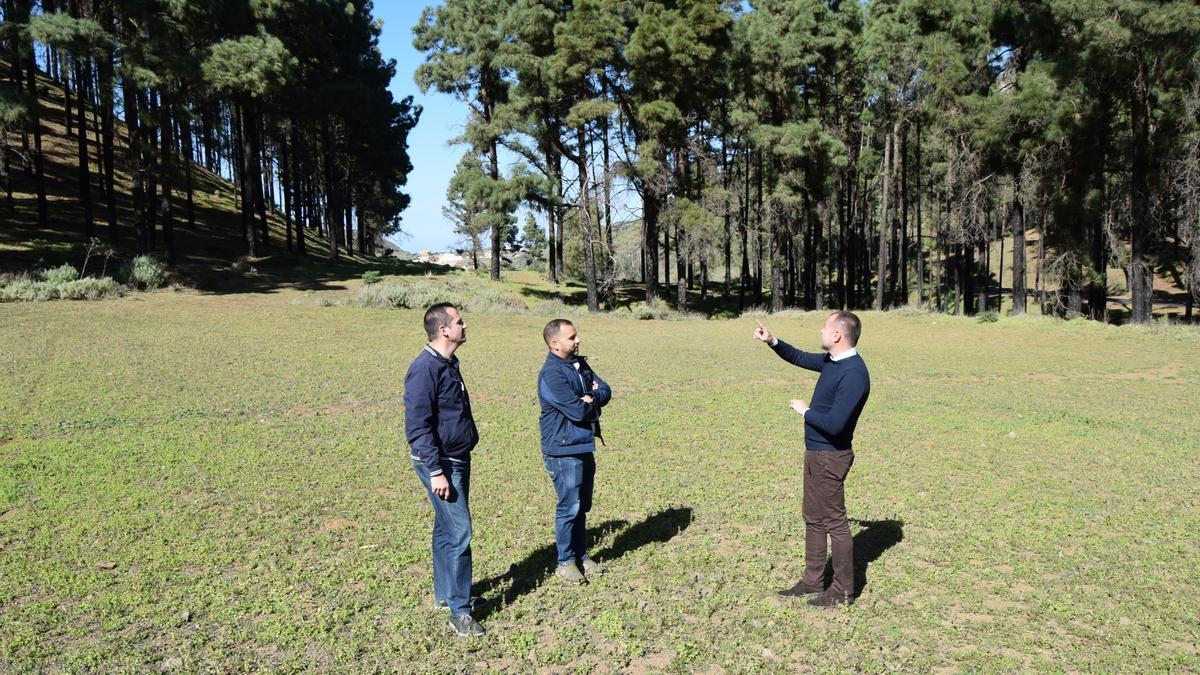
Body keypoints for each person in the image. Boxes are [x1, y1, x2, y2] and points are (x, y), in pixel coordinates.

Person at [754, 312, 871, 607]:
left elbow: (836, 424)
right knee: (814, 518)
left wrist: (804, 411)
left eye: (825, 327)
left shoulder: (855, 374)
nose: (820, 330)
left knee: (835, 522)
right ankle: (812, 580)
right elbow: (800, 357)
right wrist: (772, 341)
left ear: (837, 336)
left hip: (831, 457)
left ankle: (843, 591)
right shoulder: (833, 362)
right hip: (815, 453)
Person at [404, 303, 484, 636]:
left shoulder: (447, 363)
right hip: (441, 462)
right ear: (444, 330)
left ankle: (447, 594)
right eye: (460, 322)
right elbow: (417, 426)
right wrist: (436, 471)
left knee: (445, 528)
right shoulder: (424, 369)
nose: (466, 326)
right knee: (459, 532)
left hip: (456, 456)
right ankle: (460, 612)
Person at [538, 319, 613, 584]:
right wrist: (587, 401)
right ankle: (566, 562)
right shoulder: (552, 374)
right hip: (563, 449)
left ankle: (581, 555)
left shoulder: (580, 365)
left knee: (582, 505)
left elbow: (605, 390)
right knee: (569, 506)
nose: (578, 340)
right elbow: (576, 410)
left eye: (576, 335)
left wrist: (591, 398)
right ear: (555, 344)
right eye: (572, 338)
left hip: (583, 444)